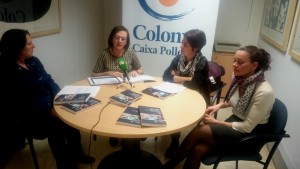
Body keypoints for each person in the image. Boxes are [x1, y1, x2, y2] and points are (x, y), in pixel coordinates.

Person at [162, 45, 275, 169]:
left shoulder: (264, 91)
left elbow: (247, 127)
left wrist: (217, 122)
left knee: (200, 130)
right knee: (198, 149)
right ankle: (174, 163)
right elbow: (235, 101)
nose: (234, 65)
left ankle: (172, 164)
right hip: (236, 123)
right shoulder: (239, 78)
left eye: (240, 62)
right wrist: (219, 106)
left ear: (254, 65)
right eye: (234, 60)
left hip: (249, 137)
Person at [0, 29, 95, 169]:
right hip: (31, 116)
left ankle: (76, 153)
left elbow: (49, 81)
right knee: (56, 126)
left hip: (51, 104)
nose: (34, 46)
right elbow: (21, 103)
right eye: (29, 43)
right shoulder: (8, 73)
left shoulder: (34, 62)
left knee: (71, 118)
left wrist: (59, 99)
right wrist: (50, 110)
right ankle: (64, 164)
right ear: (17, 47)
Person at [91, 25, 144, 146]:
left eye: (123, 39)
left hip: (127, 89)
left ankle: (129, 134)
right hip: (109, 91)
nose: (120, 41)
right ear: (111, 39)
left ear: (127, 41)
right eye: (117, 37)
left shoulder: (130, 52)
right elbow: (93, 74)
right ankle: (113, 132)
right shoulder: (104, 54)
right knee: (113, 110)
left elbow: (141, 69)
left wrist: (135, 71)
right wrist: (107, 73)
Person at [162, 29, 210, 158]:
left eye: (185, 44)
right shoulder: (179, 58)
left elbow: (195, 85)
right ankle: (175, 139)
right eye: (182, 43)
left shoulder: (202, 62)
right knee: (166, 105)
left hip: (197, 97)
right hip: (180, 93)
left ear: (196, 48)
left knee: (175, 110)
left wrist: (177, 78)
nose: (181, 46)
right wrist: (188, 78)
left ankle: (177, 142)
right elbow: (165, 76)